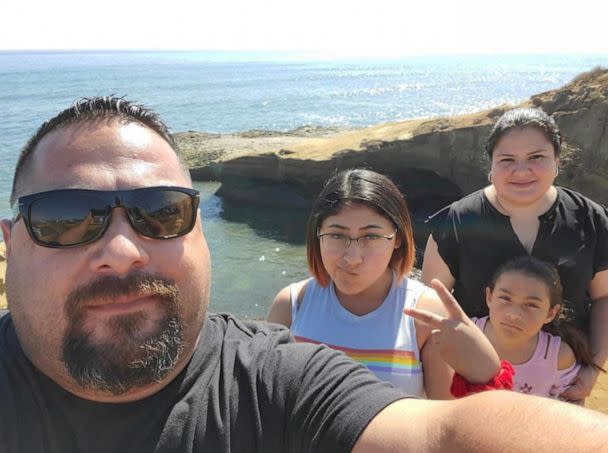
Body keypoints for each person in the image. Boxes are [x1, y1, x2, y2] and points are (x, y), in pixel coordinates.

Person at [1, 97, 607, 453]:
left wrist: (484, 369)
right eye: (65, 216)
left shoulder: (269, 377)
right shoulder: (294, 304)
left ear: (198, 229)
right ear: (9, 242)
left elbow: (442, 431)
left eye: (161, 212)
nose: (123, 250)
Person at [422, 107, 608, 403]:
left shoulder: (590, 219)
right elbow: (433, 308)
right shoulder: (458, 220)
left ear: (557, 161)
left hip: (562, 393)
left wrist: (591, 372)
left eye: (536, 157)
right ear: (491, 167)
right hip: (474, 391)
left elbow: (603, 298)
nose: (521, 171)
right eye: (507, 160)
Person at [268, 169, 500, 398]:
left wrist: (483, 369)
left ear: (397, 238)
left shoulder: (425, 314)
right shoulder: (291, 305)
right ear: (317, 234)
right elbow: (266, 401)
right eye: (337, 236)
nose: (352, 258)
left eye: (371, 237)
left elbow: (445, 420)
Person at [476, 255, 604, 397]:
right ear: (489, 297)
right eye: (505, 298)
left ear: (550, 313)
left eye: (531, 305)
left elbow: (565, 408)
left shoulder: (558, 357)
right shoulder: (462, 335)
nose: (514, 314)